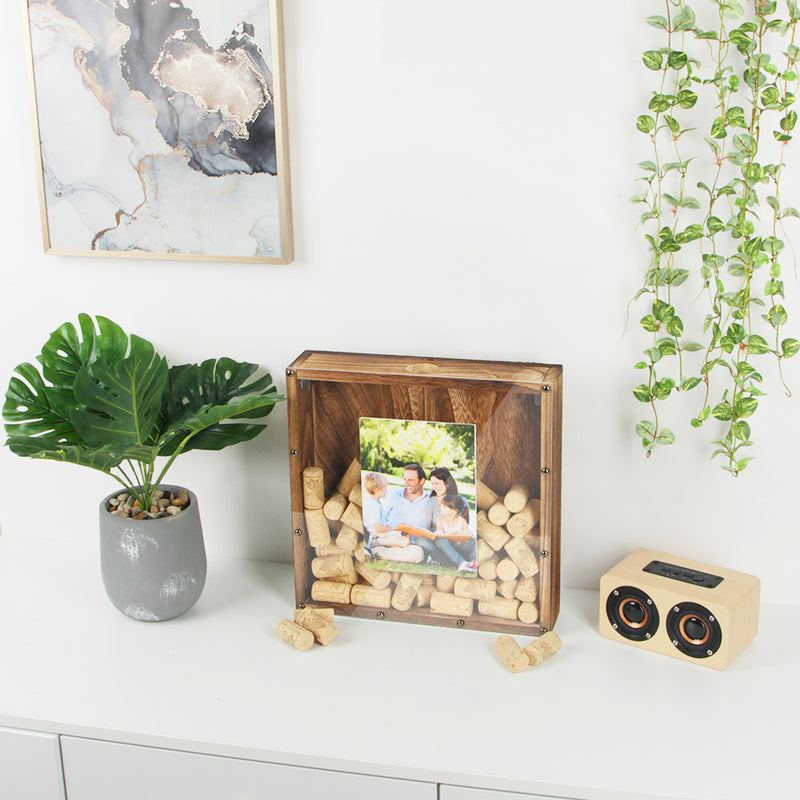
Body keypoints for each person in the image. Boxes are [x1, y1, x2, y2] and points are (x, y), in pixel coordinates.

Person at [362, 471, 424, 563]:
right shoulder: (373, 505)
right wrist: (393, 530)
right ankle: (377, 543)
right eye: (385, 488)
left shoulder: (376, 503)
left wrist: (390, 528)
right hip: (376, 535)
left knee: (408, 541)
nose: (387, 490)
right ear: (377, 490)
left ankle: (377, 550)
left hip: (381, 533)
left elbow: (381, 523)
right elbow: (378, 528)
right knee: (405, 541)